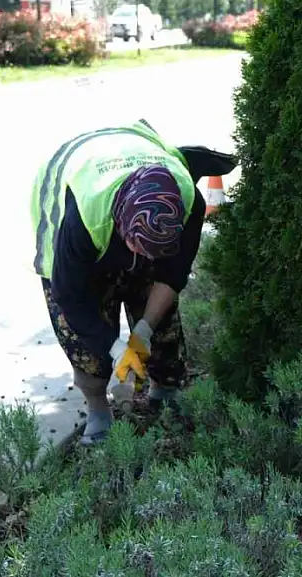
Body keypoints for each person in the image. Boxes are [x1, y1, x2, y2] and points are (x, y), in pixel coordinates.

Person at [30, 119, 207, 445]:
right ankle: (98, 410)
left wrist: (142, 334)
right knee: (86, 344)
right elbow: (71, 296)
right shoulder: (83, 220)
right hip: (82, 203)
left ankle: (165, 393)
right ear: (122, 228)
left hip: (134, 183)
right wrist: (114, 349)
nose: (148, 261)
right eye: (142, 250)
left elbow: (172, 274)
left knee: (162, 322)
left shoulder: (188, 201)